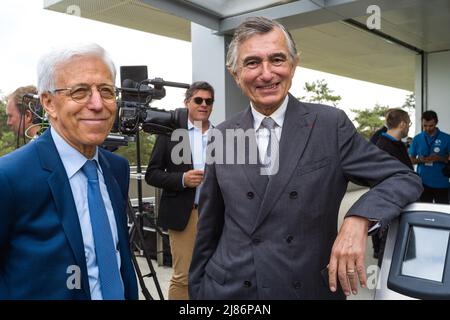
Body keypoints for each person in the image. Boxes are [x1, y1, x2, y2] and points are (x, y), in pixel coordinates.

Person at [188, 16, 423, 300]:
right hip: (230, 289)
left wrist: (358, 218)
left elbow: (403, 177)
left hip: (303, 288)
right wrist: (198, 291)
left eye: (277, 59)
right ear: (235, 72)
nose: (266, 73)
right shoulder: (222, 135)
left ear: (293, 64)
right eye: (252, 62)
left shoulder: (329, 125)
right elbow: (209, 228)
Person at [0, 43, 138, 299]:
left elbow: (118, 259)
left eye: (106, 91)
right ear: (48, 103)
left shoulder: (116, 168)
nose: (98, 104)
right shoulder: (9, 178)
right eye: (80, 91)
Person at [145, 81, 214, 300]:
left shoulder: (220, 135)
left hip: (216, 214)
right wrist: (182, 179)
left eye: (209, 101)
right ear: (187, 102)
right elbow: (152, 174)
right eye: (198, 100)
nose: (204, 104)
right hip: (185, 214)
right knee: (184, 276)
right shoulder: (171, 134)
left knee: (214, 274)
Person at [372, 109, 413, 266]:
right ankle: (383, 287)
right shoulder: (383, 146)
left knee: (401, 247)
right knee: (388, 248)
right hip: (389, 205)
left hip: (402, 203)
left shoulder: (398, 145)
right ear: (402, 124)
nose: (408, 127)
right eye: (408, 124)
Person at [409, 110, 450, 204]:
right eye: (425, 126)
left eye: (431, 126)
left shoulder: (447, 138)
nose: (427, 128)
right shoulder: (417, 138)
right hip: (422, 183)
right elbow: (411, 160)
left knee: (442, 212)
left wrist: (440, 158)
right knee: (424, 212)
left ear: (436, 123)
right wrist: (420, 160)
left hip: (442, 183)